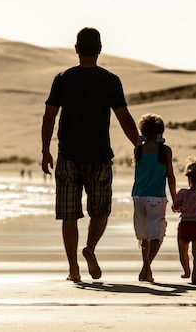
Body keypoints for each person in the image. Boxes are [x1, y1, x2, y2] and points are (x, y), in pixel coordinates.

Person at [41, 27, 139, 282]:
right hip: (98, 157)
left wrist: (45, 151)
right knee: (101, 210)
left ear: (76, 49)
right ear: (99, 50)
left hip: (68, 156)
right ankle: (90, 248)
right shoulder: (109, 80)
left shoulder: (62, 78)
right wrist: (140, 144)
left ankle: (73, 269)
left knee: (69, 214)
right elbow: (124, 118)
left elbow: (49, 116)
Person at [131, 113, 177, 282]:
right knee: (156, 235)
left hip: (138, 196)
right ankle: (146, 266)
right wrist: (175, 198)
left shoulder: (138, 149)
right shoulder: (165, 150)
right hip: (156, 198)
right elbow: (170, 176)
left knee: (144, 237)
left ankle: (147, 270)